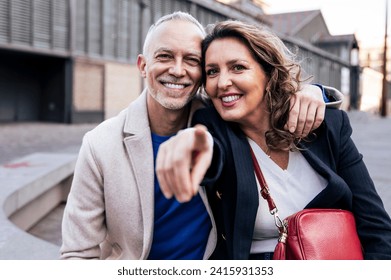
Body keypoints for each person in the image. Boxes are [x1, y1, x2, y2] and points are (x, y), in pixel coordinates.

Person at [60, 12, 338, 260]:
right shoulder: (100, 145)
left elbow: (262, 99)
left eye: (191, 60)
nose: (178, 70)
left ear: (202, 75)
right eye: (165, 56)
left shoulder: (222, 121)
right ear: (143, 66)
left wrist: (317, 93)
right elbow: (76, 254)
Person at [156, 20, 391, 260]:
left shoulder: (327, 125)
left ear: (268, 74)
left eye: (237, 67)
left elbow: (376, 226)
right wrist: (193, 145)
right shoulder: (214, 126)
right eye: (212, 71)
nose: (223, 82)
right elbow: (205, 146)